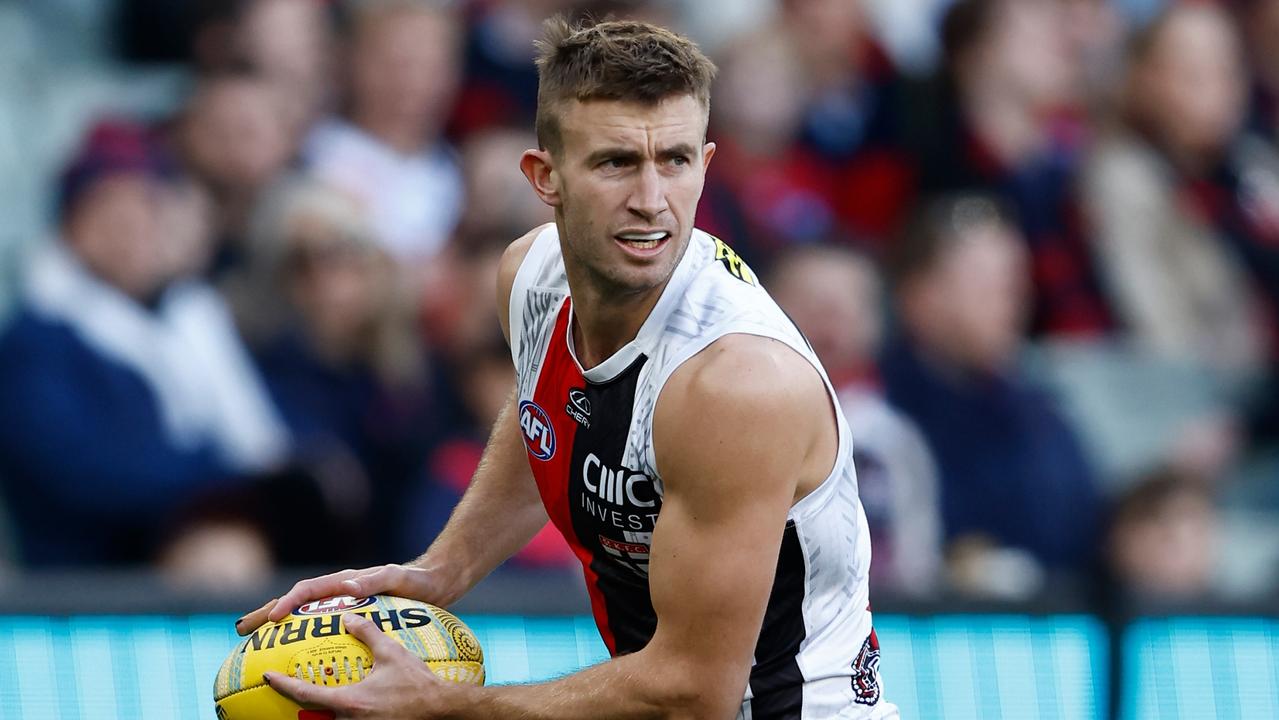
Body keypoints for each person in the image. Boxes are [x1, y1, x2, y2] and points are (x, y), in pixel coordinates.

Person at [238, 17, 896, 719]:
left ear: (706, 166)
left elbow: (692, 690)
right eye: (615, 162)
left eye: (673, 160)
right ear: (544, 178)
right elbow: (546, 416)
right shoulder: (531, 277)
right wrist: (442, 569)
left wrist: (445, 706)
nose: (651, 200)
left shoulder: (734, 384)